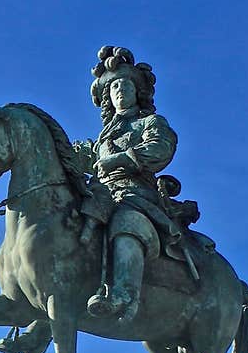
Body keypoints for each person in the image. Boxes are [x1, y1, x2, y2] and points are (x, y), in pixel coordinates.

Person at [73, 46, 179, 321]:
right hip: (99, 195)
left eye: (125, 84)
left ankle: (123, 293)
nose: (119, 90)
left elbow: (160, 148)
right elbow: (73, 157)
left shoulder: (150, 123)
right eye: (113, 86)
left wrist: (120, 159)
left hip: (136, 195)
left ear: (137, 90)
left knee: (126, 221)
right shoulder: (100, 140)